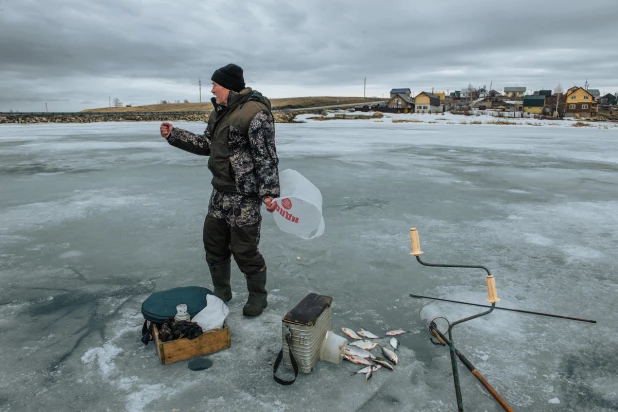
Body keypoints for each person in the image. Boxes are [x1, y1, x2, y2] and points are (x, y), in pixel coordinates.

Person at [159, 63, 279, 317]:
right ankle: (222, 291)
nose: (212, 89)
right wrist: (174, 135)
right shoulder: (220, 112)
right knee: (213, 244)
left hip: (244, 195)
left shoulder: (255, 112)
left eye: (215, 84)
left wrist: (268, 192)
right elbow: (207, 145)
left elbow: (266, 156)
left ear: (227, 86)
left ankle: (258, 297)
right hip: (220, 193)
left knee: (245, 251)